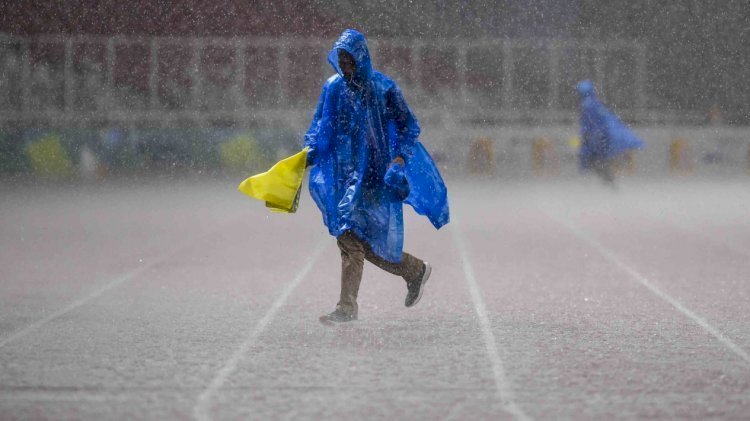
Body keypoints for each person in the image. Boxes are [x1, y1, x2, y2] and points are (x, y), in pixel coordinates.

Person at [303, 29, 449, 324]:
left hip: (375, 178)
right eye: (340, 59)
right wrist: (309, 151)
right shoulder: (333, 89)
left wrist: (398, 161)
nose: (344, 66)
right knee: (351, 239)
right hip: (345, 179)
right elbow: (320, 127)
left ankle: (408, 274)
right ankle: (406, 275)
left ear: (361, 58)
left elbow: (409, 127)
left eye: (349, 60)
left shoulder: (384, 89)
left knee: (361, 242)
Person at [576, 80, 644, 187]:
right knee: (602, 161)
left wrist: (589, 139)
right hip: (606, 137)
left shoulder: (587, 106)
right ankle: (610, 183)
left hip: (600, 138)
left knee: (596, 161)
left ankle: (609, 184)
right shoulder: (596, 104)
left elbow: (589, 126)